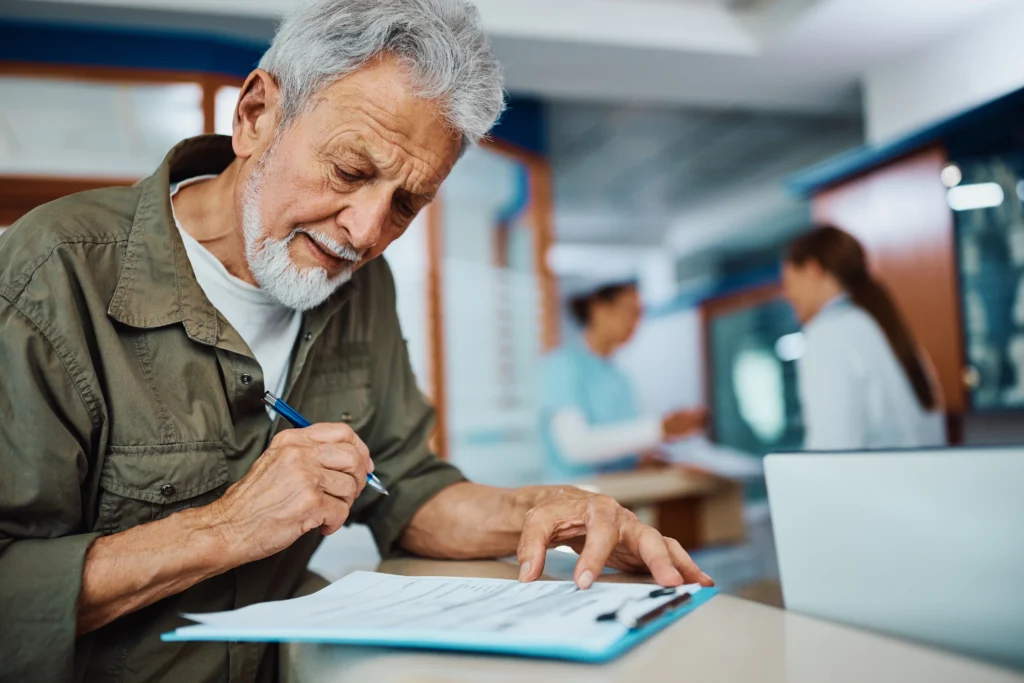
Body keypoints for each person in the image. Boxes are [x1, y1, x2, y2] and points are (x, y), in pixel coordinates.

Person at [0, 2, 712, 681]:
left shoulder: (359, 285)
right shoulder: (54, 272)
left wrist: (550, 510)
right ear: (255, 116)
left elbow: (404, 486)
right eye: (349, 171)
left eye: (407, 202)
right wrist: (230, 526)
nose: (368, 232)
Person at [782, 226, 946, 451]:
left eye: (789, 283)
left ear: (812, 271)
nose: (789, 296)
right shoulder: (876, 324)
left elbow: (831, 450)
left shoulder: (827, 335)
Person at [540, 280, 706, 482]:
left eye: (640, 314)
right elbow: (575, 447)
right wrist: (659, 429)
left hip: (619, 495)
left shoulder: (620, 380)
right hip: (574, 500)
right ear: (599, 309)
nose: (635, 322)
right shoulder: (562, 367)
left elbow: (623, 448)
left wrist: (645, 460)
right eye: (630, 311)